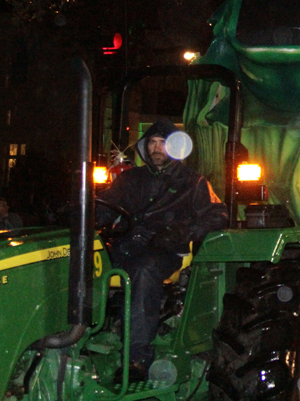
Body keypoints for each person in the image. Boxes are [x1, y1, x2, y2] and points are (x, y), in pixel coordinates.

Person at [97, 118, 228, 381]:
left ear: (175, 148)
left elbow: (217, 215)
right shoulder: (129, 180)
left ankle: (136, 359)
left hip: (165, 251)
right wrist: (77, 213)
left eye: (163, 144)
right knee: (75, 259)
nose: (157, 149)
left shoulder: (192, 182)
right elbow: (104, 208)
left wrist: (182, 232)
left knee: (143, 270)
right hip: (125, 246)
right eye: (153, 143)